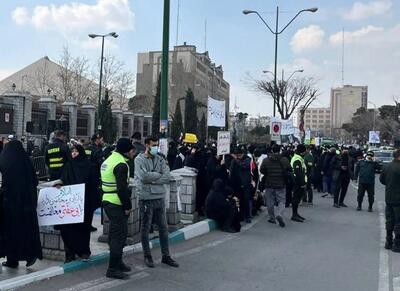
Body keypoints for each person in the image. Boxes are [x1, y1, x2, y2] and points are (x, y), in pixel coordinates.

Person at [134, 136, 179, 269]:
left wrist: (152, 178)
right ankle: (147, 255)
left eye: (157, 145)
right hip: (146, 198)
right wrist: (156, 176)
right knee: (145, 228)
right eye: (153, 145)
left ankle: (166, 256)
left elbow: (167, 175)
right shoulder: (139, 159)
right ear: (146, 145)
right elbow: (142, 177)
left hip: (159, 197)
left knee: (163, 228)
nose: (155, 147)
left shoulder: (160, 158)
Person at [0, 140, 42, 268]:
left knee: (10, 233)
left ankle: (12, 259)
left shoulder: (6, 161)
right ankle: (30, 255)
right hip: (26, 205)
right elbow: (34, 181)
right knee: (27, 232)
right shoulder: (26, 161)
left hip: (10, 205)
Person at [101, 138, 135, 279]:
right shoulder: (121, 164)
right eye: (132, 150)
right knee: (118, 236)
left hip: (107, 200)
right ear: (127, 151)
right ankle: (112, 269)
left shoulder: (109, 160)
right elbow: (122, 189)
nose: (134, 153)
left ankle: (119, 262)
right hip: (116, 203)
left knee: (117, 234)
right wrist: (127, 206)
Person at [59, 144, 98, 263]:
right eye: (72, 151)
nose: (74, 153)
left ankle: (83, 251)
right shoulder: (68, 166)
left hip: (84, 204)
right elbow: (63, 181)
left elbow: (94, 185)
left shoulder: (89, 166)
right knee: (68, 229)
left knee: (83, 229)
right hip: (69, 204)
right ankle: (69, 253)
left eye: (76, 151)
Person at [260, 144, 290, 228]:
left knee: (270, 201)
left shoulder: (266, 160)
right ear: (280, 150)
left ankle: (272, 218)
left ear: (272, 150)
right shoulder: (284, 160)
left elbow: (262, 170)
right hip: (281, 184)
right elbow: (289, 169)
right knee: (281, 201)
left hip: (269, 183)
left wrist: (268, 173)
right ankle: (279, 214)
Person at [380, 149, 400, 252]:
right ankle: (397, 244)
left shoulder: (386, 166)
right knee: (398, 222)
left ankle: (388, 242)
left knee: (390, 220)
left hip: (389, 197)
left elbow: (382, 180)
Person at [85, 133, 105, 231]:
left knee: (88, 202)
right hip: (94, 179)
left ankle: (86, 224)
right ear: (97, 139)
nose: (102, 141)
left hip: (85, 178)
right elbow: (101, 164)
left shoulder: (87, 148)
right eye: (101, 139)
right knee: (94, 202)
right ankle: (88, 224)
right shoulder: (98, 150)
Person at [230, 146, 253, 223]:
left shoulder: (247, 159)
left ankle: (248, 216)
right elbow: (232, 171)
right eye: (237, 155)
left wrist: (236, 159)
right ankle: (240, 216)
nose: (238, 157)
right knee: (238, 200)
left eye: (239, 155)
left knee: (246, 200)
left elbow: (243, 165)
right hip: (236, 183)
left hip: (245, 183)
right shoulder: (234, 161)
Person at [290, 144, 308, 222]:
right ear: (302, 151)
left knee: (297, 199)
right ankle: (294, 215)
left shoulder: (299, 158)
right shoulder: (297, 159)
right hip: (298, 182)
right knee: (296, 199)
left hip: (299, 182)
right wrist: (302, 183)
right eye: (305, 150)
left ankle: (296, 213)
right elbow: (298, 173)